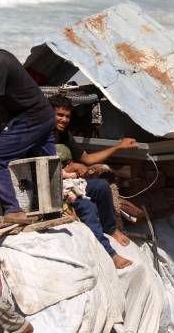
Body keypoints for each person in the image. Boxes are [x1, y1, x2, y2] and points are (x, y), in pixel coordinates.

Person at [0, 37, 56, 225]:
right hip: (45, 115)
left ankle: (13, 210)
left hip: (31, 119)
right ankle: (55, 208)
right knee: (49, 164)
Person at [51, 95, 135, 269]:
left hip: (71, 184)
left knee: (102, 187)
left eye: (67, 116)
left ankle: (111, 228)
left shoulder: (64, 136)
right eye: (59, 115)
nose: (64, 119)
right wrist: (67, 171)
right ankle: (110, 254)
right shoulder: (40, 137)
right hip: (53, 189)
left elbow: (87, 159)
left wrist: (118, 147)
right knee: (88, 208)